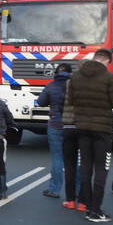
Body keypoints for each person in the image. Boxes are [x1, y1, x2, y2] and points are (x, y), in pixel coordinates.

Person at [66, 48, 113, 223]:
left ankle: (87, 206)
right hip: (103, 130)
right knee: (101, 168)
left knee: (85, 166)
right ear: (107, 60)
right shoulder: (109, 77)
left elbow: (70, 101)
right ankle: (95, 210)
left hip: (82, 127)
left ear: (94, 58)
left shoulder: (75, 77)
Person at [35, 63, 72, 199]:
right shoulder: (75, 85)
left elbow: (41, 102)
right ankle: (78, 191)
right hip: (72, 125)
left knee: (57, 158)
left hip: (55, 124)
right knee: (74, 159)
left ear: (56, 73)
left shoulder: (51, 85)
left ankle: (54, 189)